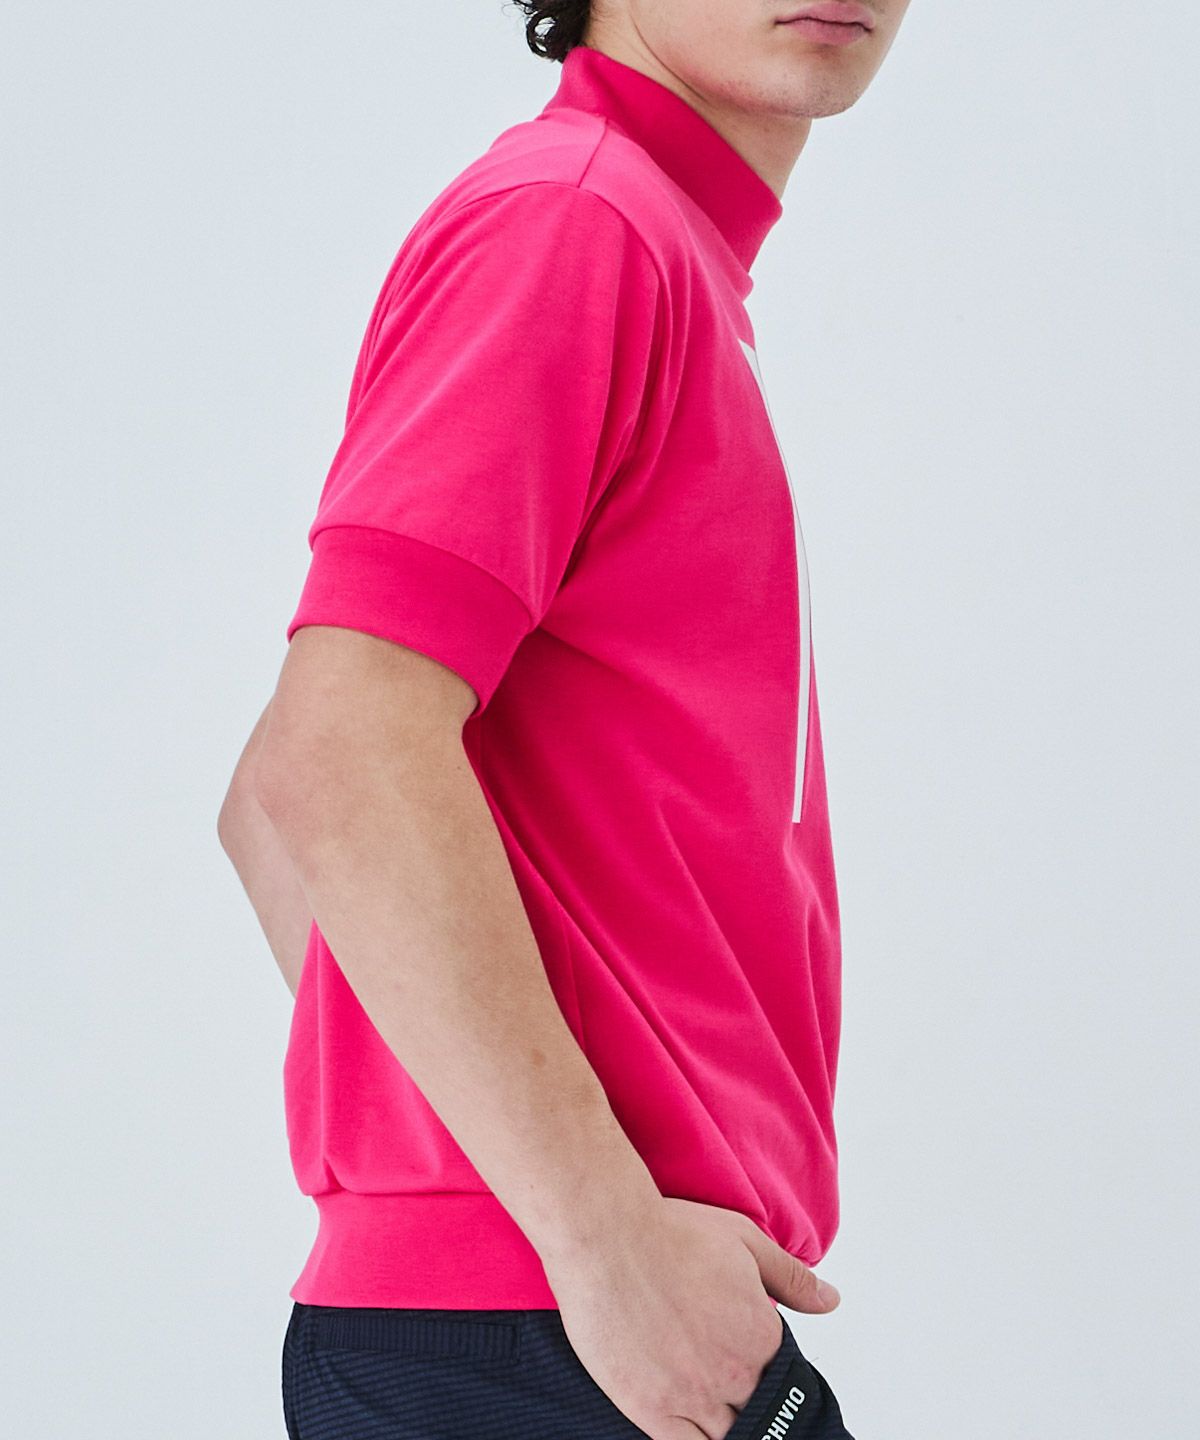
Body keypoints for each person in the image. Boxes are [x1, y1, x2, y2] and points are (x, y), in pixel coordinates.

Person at [217, 2, 911, 1436]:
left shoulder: (645, 240)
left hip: (542, 1312)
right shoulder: (577, 224)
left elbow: (276, 799)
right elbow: (338, 749)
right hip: (551, 1325)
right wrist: (591, 1232)